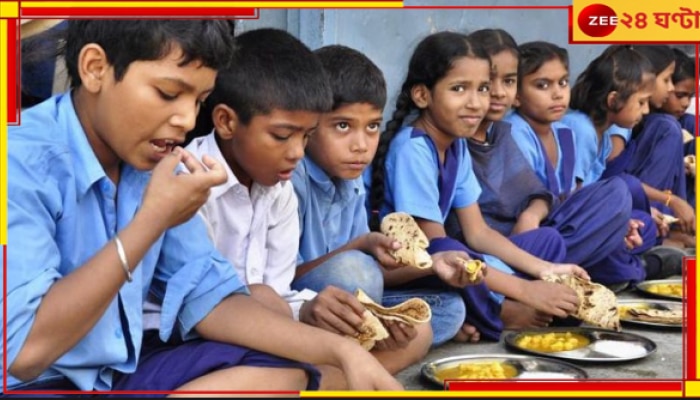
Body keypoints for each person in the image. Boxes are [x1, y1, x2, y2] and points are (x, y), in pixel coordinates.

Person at [2, 20, 403, 394]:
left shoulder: (153, 163)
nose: (186, 118)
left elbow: (213, 300)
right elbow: (24, 354)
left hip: (117, 372)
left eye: (200, 99)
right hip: (34, 383)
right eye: (168, 93)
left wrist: (342, 351)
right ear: (94, 69)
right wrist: (152, 220)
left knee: (299, 370)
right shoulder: (19, 159)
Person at [364, 31, 585, 346]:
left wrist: (549, 271)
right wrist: (527, 289)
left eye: (482, 88)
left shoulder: (456, 145)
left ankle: (491, 307)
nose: (476, 102)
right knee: (453, 265)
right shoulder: (412, 148)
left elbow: (479, 232)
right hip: (418, 270)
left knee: (547, 242)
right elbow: (437, 249)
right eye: (458, 89)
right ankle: (500, 312)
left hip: (457, 262)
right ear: (422, 95)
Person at [288, 44, 433, 387]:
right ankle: (354, 368)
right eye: (342, 126)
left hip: (348, 303)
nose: (361, 144)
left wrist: (430, 265)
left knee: (431, 321)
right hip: (299, 307)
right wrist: (364, 244)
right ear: (307, 125)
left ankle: (343, 371)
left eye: (372, 127)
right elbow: (284, 282)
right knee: (356, 269)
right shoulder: (291, 179)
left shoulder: (352, 181)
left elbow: (372, 283)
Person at [504, 40, 651, 290]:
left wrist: (612, 224)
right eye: (542, 85)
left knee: (636, 220)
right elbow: (521, 214)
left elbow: (570, 198)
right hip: (529, 240)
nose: (558, 93)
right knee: (618, 193)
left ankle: (594, 263)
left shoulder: (563, 132)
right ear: (516, 95)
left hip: (557, 228)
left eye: (562, 82)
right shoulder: (515, 131)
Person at [561, 45, 686, 281]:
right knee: (624, 187)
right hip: (568, 226)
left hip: (590, 218)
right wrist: (614, 224)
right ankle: (641, 267)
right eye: (641, 103)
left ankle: (629, 259)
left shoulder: (603, 137)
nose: (646, 110)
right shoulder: (581, 130)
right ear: (614, 100)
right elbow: (570, 202)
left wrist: (623, 222)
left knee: (646, 223)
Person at [660, 49, 696, 209]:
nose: (686, 103)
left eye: (691, 96)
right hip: (662, 198)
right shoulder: (658, 125)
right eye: (680, 95)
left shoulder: (687, 123)